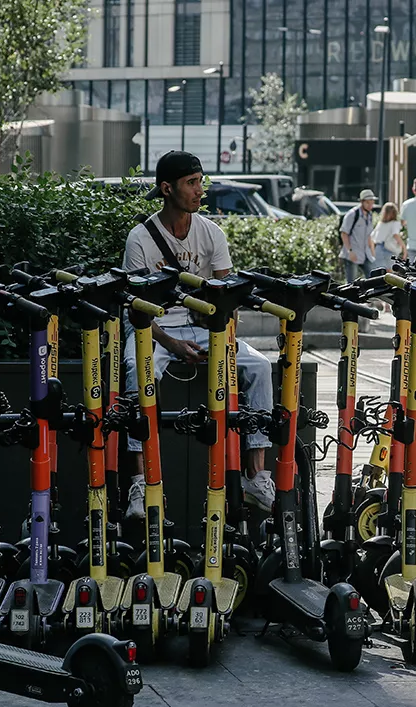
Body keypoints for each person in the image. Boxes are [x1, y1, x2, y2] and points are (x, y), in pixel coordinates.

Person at [121, 150, 276, 517]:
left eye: (200, 182)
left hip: (205, 326)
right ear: (167, 189)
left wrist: (221, 333)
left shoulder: (211, 232)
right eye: (191, 183)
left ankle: (256, 476)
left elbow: (228, 296)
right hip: (154, 328)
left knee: (259, 367)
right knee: (137, 369)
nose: (199, 190)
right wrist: (171, 343)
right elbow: (134, 307)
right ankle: (140, 483)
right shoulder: (140, 239)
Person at [340, 189, 376, 281]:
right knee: (351, 283)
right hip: (353, 254)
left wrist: (372, 251)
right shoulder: (352, 214)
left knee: (373, 280)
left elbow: (369, 235)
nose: (370, 205)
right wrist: (350, 251)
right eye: (368, 202)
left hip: (366, 254)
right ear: (362, 202)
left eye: (372, 202)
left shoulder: (370, 215)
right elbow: (344, 234)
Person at [369, 201, 406, 270]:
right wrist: (404, 248)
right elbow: (395, 235)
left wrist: (373, 252)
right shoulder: (395, 223)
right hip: (389, 250)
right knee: (390, 272)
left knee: (380, 272)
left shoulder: (380, 223)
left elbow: (372, 237)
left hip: (378, 249)